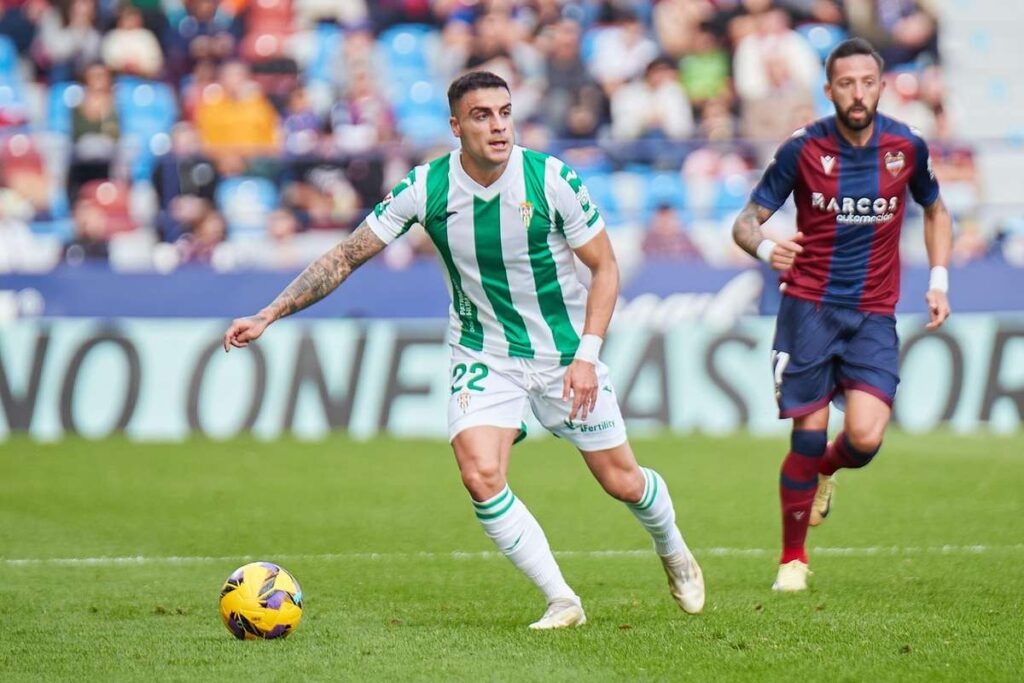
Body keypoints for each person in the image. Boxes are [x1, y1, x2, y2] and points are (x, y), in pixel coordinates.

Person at [223, 71, 705, 629]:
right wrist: (270, 312)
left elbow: (606, 267)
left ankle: (673, 549)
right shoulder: (426, 187)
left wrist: (587, 356)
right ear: (456, 126)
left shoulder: (551, 178)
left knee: (622, 482)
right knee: (480, 474)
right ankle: (562, 599)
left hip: (564, 352)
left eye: (505, 112)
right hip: (483, 351)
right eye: (482, 115)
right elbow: (347, 255)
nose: (498, 126)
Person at [731, 38, 952, 592]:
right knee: (808, 434)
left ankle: (826, 472)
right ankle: (793, 559)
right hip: (808, 308)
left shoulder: (906, 146)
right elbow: (746, 222)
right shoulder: (802, 148)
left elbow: (936, 210)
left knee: (866, 438)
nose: (858, 94)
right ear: (829, 90)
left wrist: (939, 280)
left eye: (867, 82)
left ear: (881, 86)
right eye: (846, 84)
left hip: (873, 314)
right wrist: (766, 248)